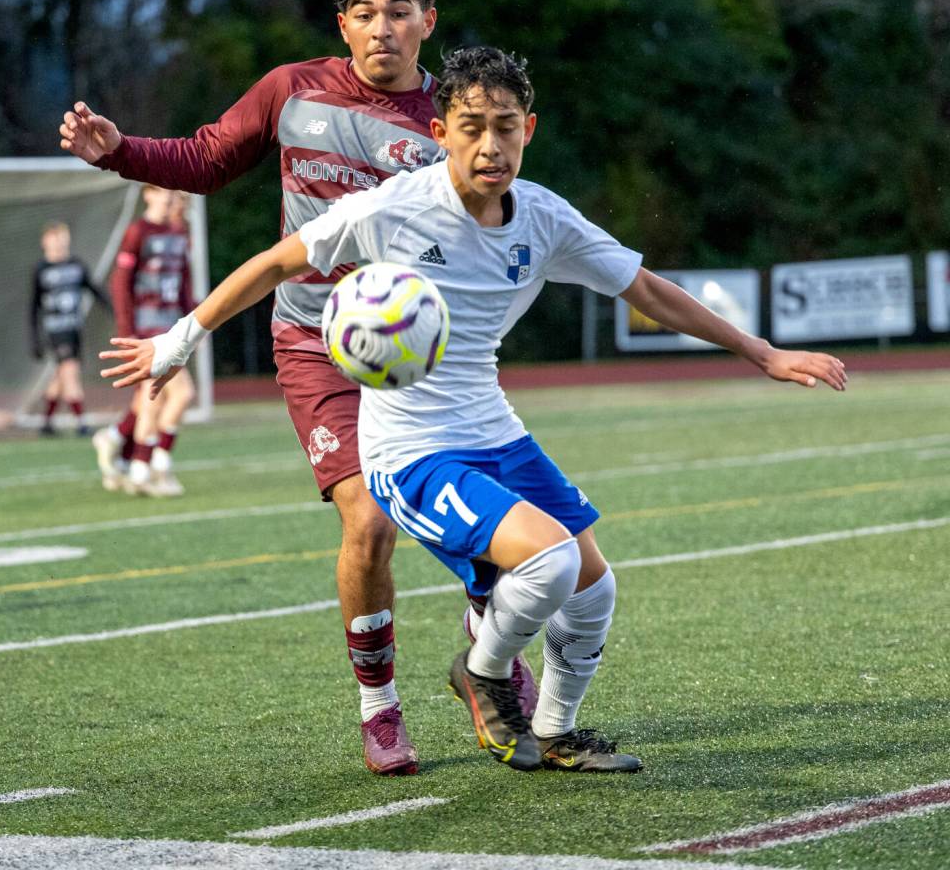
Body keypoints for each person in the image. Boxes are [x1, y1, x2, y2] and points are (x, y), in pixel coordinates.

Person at [99, 46, 848, 773]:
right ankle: (482, 670)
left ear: (531, 130)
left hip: (495, 431)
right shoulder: (392, 209)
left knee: (593, 587)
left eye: (507, 126)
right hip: (410, 450)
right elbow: (274, 263)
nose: (491, 144)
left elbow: (646, 289)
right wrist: (181, 338)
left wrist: (762, 352)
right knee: (549, 561)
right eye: (472, 126)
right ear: (439, 133)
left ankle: (554, 731)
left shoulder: (545, 219)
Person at [60, 0, 508, 776]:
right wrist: (120, 153)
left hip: (433, 356)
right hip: (315, 342)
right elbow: (203, 157)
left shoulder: (455, 120)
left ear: (429, 21)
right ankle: (379, 702)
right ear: (342, 24)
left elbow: (493, 223)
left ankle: (489, 650)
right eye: (365, 13)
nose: (383, 27)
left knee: (487, 530)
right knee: (370, 521)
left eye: (400, 11)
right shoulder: (291, 90)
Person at [92, 186, 196, 497]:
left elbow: (183, 287)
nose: (170, 198)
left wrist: (193, 326)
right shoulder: (138, 232)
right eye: (164, 191)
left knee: (151, 399)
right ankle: (150, 466)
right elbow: (120, 283)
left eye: (173, 194)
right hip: (147, 332)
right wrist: (128, 331)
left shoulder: (178, 234)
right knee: (172, 394)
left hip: (171, 331)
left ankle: (120, 447)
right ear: (148, 194)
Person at [29, 221, 110, 436]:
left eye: (61, 238)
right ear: (44, 242)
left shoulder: (76, 265)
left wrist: (115, 309)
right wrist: (34, 338)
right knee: (70, 371)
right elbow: (33, 306)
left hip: (74, 330)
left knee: (60, 376)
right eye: (53, 238)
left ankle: (46, 423)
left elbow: (94, 289)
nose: (58, 243)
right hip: (55, 331)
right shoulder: (41, 270)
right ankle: (81, 422)